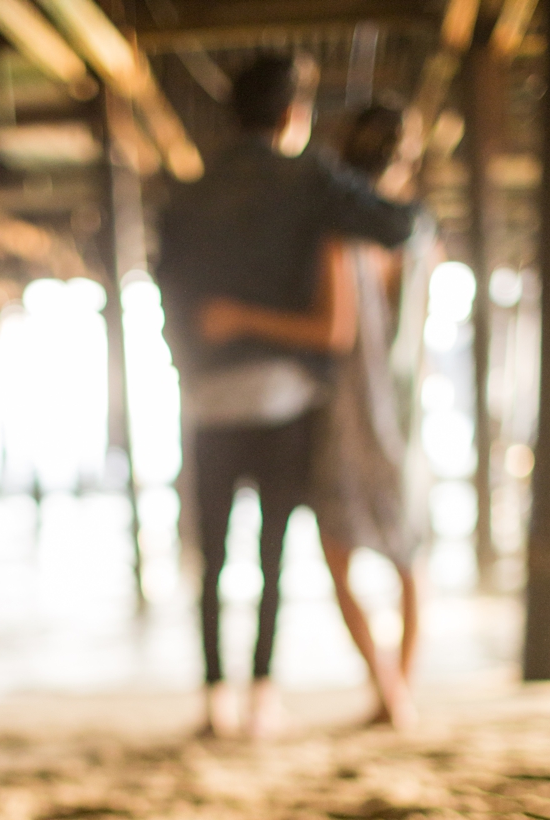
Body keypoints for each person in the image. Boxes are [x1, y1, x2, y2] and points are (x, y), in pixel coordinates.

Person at [157, 58, 415, 738]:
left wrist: (190, 360)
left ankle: (214, 703)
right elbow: (399, 225)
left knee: (211, 560)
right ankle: (262, 698)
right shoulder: (307, 178)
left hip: (206, 402)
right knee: (271, 557)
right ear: (292, 115)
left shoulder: (188, 192)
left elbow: (169, 291)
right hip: (284, 400)